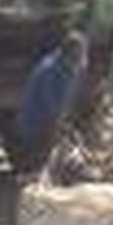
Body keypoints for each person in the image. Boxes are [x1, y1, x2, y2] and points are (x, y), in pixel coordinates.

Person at [15, 32, 89, 174]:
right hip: (35, 124)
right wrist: (62, 125)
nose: (81, 59)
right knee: (38, 165)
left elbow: (68, 98)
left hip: (51, 122)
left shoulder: (71, 68)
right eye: (78, 55)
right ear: (67, 53)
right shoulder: (49, 70)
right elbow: (51, 104)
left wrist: (67, 122)